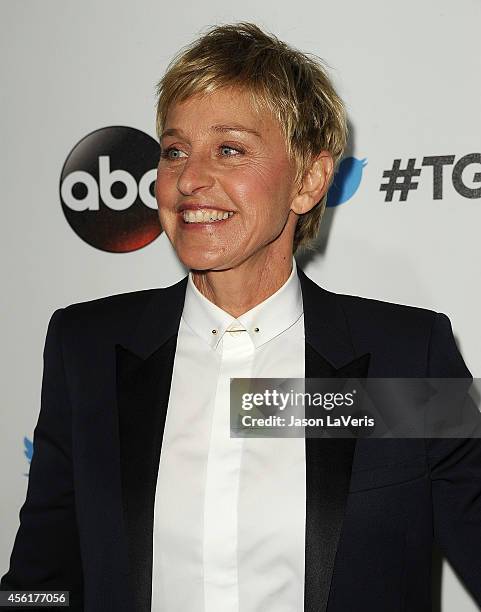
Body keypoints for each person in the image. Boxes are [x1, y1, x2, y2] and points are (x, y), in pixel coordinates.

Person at [2, 21, 480, 612]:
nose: (189, 180)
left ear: (308, 180)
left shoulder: (409, 356)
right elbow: (40, 579)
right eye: (175, 150)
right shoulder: (87, 348)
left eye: (229, 149)